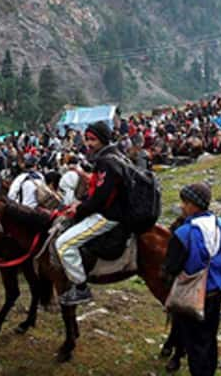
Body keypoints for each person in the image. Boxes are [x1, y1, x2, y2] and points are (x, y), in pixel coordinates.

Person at [54, 122, 128, 305]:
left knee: (63, 244)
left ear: (102, 139)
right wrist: (81, 203)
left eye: (92, 140)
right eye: (87, 139)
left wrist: (80, 208)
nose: (88, 144)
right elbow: (98, 192)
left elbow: (101, 197)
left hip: (108, 215)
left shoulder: (106, 162)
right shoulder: (112, 155)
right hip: (110, 210)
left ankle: (81, 287)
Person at [162, 183, 221, 376]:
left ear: (194, 204)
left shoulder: (184, 232)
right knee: (209, 338)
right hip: (215, 292)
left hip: (192, 294)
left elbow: (172, 266)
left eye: (185, 202)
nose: (182, 206)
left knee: (193, 343)